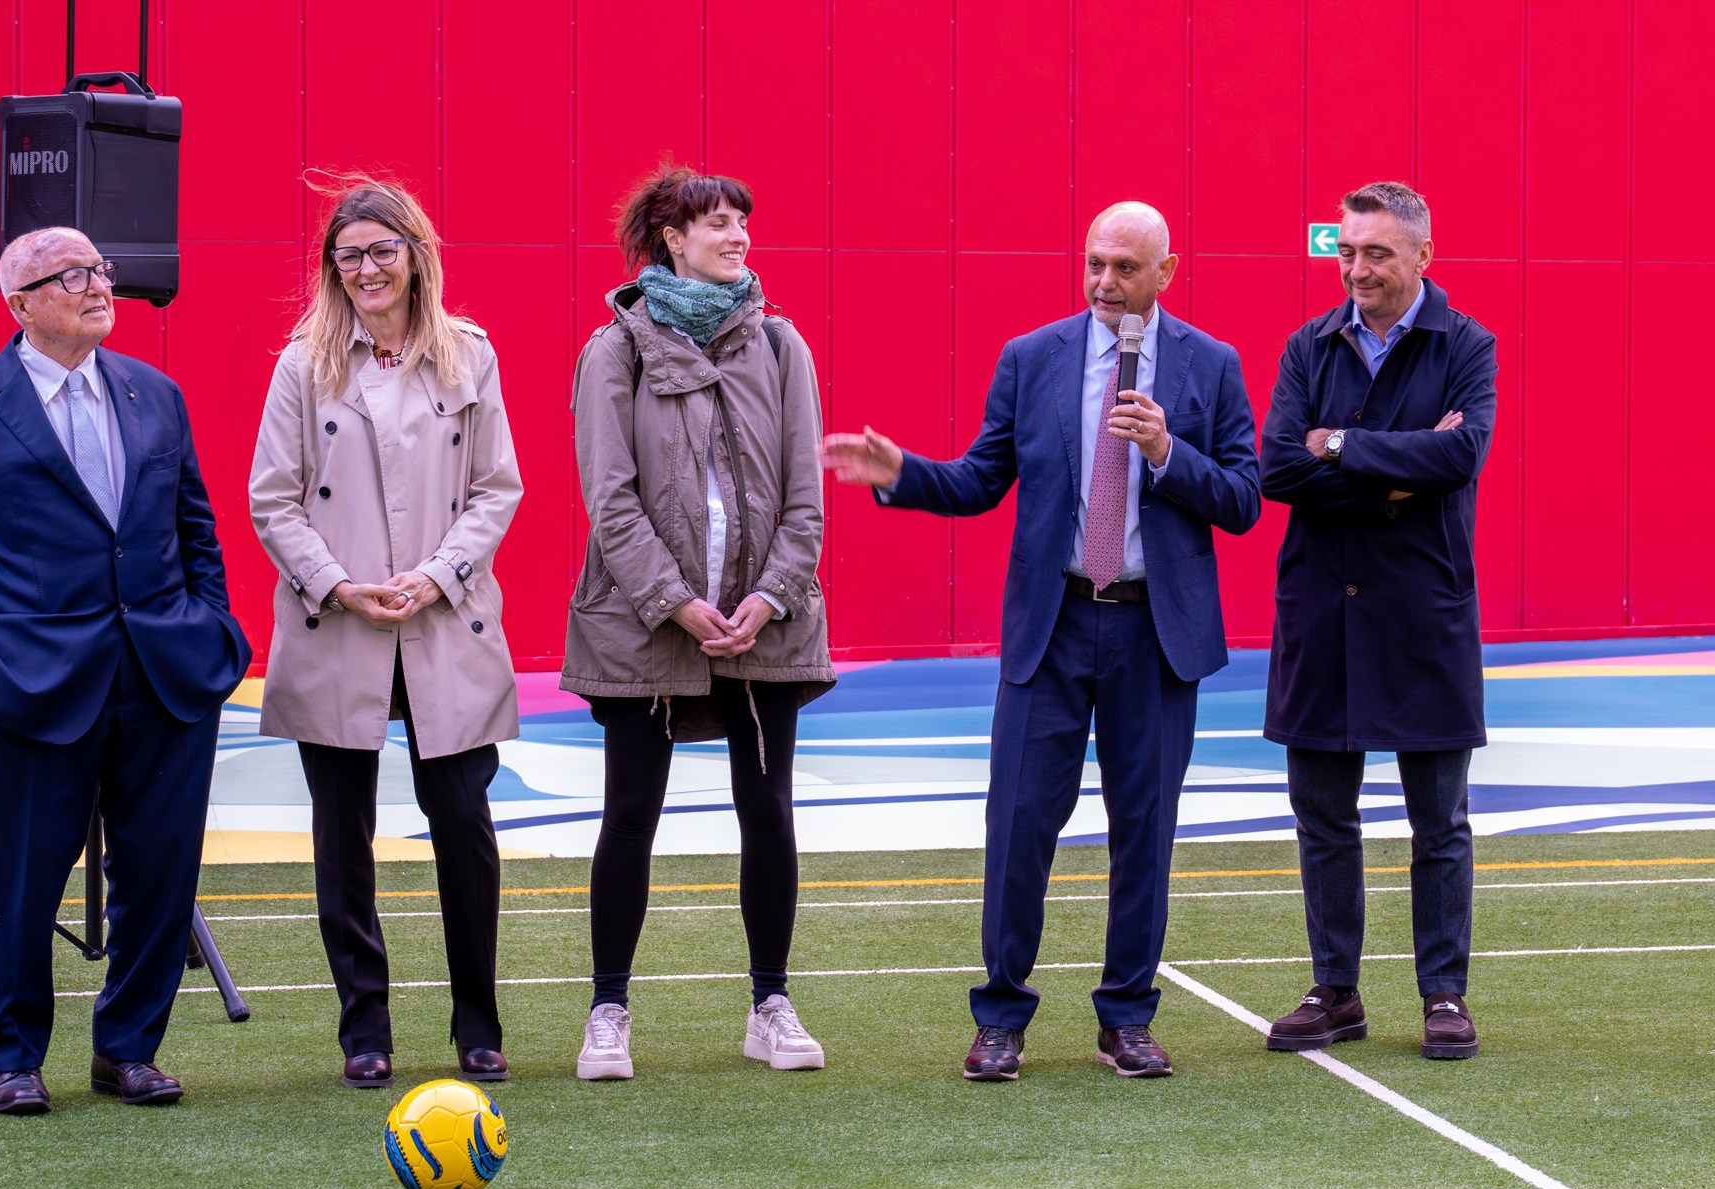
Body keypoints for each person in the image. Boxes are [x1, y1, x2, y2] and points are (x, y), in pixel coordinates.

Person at [823, 202, 1260, 1082]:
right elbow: (982, 479)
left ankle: (1127, 1018)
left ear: (1166, 273)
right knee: (1019, 823)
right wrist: (902, 474)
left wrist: (1169, 453)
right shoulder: (1032, 358)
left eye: (1125, 268)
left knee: (1145, 831)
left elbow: (1245, 499)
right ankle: (1000, 1018)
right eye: (1095, 263)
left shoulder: (1211, 365)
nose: (1105, 282)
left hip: (1155, 631)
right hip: (1052, 627)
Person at [0, 227, 251, 1114]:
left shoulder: (155, 393)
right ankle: (16, 1059)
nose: (99, 286)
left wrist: (211, 627)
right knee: (21, 880)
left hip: (165, 674)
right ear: (20, 303)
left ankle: (129, 1049)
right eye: (72, 276)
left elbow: (196, 530)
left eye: (100, 270)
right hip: (28, 685)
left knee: (160, 874)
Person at [562, 163, 834, 1081]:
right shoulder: (615, 349)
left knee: (769, 810)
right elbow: (609, 500)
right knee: (630, 814)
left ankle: (771, 1005)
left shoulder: (782, 346)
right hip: (643, 628)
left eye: (742, 222)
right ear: (672, 239)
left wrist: (771, 596)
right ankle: (608, 1012)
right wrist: (675, 602)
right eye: (717, 223)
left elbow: (806, 499)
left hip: (767, 628)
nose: (738, 236)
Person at [249, 179, 522, 1088]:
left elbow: (496, 490)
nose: (366, 270)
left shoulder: (468, 356)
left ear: (415, 255)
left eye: (381, 250)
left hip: (445, 619)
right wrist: (338, 584)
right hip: (339, 620)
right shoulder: (304, 366)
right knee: (342, 835)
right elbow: (273, 500)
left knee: (463, 824)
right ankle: (364, 1030)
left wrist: (437, 575)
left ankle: (478, 1025)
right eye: (349, 256)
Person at [1259, 181, 1496, 1060]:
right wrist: (1394, 480)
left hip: (1423, 616)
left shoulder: (1467, 344)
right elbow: (1277, 468)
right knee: (1323, 817)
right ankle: (1336, 992)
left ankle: (1444, 995)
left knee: (1440, 825)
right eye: (1347, 251)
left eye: (1377, 254)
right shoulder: (1308, 345)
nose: (1356, 269)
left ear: (1423, 256)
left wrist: (1339, 444)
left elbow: (1460, 454)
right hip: (1321, 614)